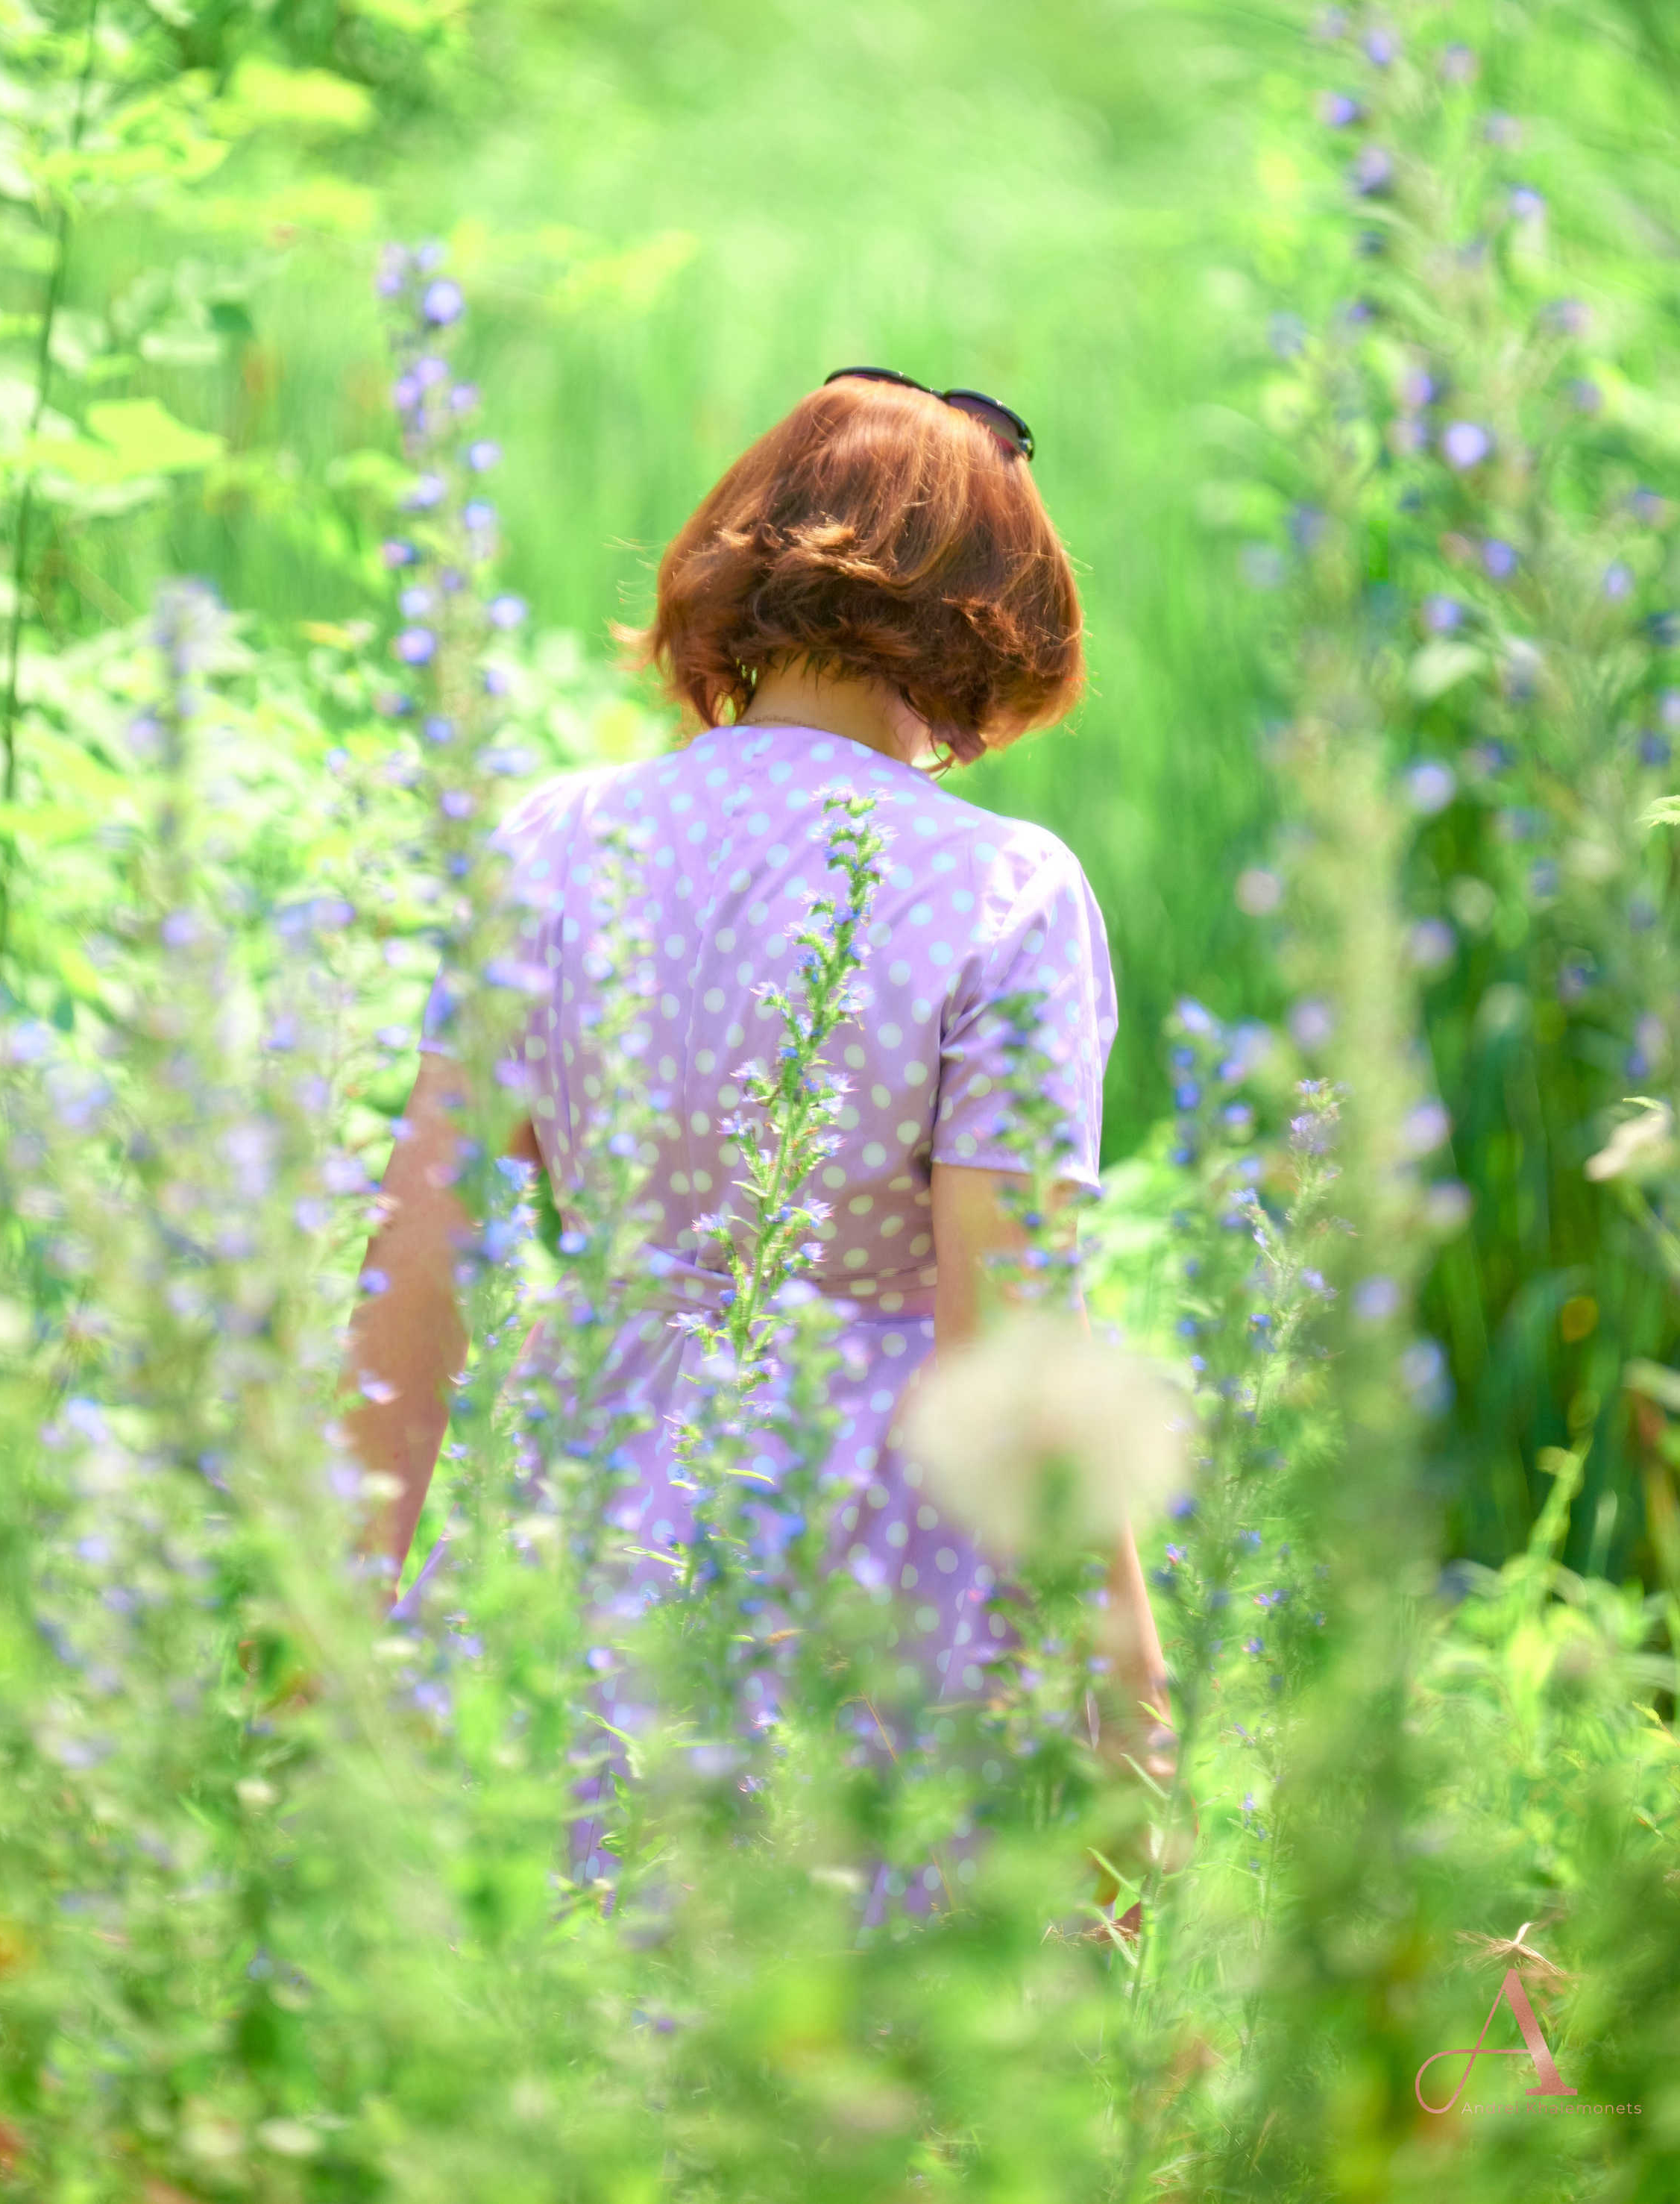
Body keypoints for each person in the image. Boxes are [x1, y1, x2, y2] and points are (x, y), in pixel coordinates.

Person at [346, 367, 1168, 1885]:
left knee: (569, 2007)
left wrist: (337, 1640)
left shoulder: (547, 840)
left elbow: (413, 1272)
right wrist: (1130, 1735)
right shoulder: (1001, 890)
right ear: (988, 623)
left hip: (577, 1506)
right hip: (864, 1544)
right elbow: (1015, 1358)